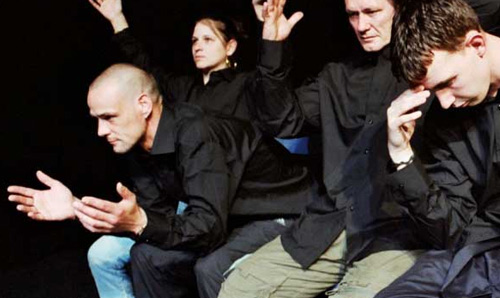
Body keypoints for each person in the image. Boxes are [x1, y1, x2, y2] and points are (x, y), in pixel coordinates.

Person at [217, 0, 500, 297]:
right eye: (353, 15)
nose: (362, 25)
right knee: (237, 289)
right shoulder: (337, 76)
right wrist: (272, 46)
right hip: (332, 224)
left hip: (401, 233)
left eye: (372, 11)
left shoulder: (446, 70)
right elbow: (281, 120)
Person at [8, 64, 315, 298]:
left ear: (143, 105)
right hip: (226, 215)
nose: (101, 131)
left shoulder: (196, 134)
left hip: (281, 211)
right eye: (96, 119)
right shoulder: (135, 145)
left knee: (209, 268)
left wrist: (139, 222)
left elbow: (207, 228)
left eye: (109, 117)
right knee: (147, 256)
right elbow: (161, 217)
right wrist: (77, 207)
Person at [85, 1, 312, 297]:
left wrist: (270, 39)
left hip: (246, 196)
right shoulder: (182, 91)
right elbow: (139, 77)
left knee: (206, 264)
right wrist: (118, 20)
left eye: (207, 39)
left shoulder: (245, 85)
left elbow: (274, 91)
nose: (198, 46)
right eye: (194, 40)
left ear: (230, 47)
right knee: (119, 254)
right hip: (198, 192)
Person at [375, 0, 500, 297]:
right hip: (475, 249)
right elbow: (451, 230)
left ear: (477, 44)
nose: (444, 101)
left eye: (449, 82)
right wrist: (401, 155)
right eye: (434, 91)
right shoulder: (446, 120)